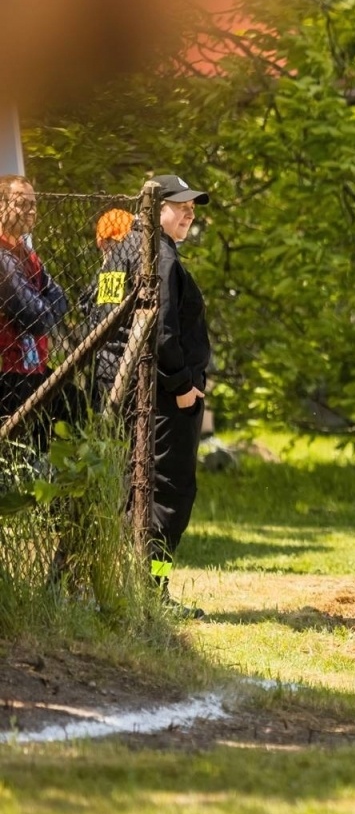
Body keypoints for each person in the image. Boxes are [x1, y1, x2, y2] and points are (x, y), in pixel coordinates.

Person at [93, 175, 212, 616]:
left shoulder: (121, 252)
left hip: (122, 390)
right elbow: (163, 333)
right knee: (168, 491)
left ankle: (127, 584)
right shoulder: (158, 258)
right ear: (155, 208)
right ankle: (152, 591)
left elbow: (97, 317)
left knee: (132, 489)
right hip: (160, 397)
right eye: (180, 205)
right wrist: (182, 386)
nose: (189, 212)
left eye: (193, 207)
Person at [0, 175, 69, 434]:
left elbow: (62, 300)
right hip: (8, 374)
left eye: (34, 204)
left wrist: (44, 307)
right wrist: (44, 307)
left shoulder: (27, 254)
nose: (30, 211)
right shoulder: (1, 255)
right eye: (21, 204)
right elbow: (35, 317)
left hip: (32, 367)